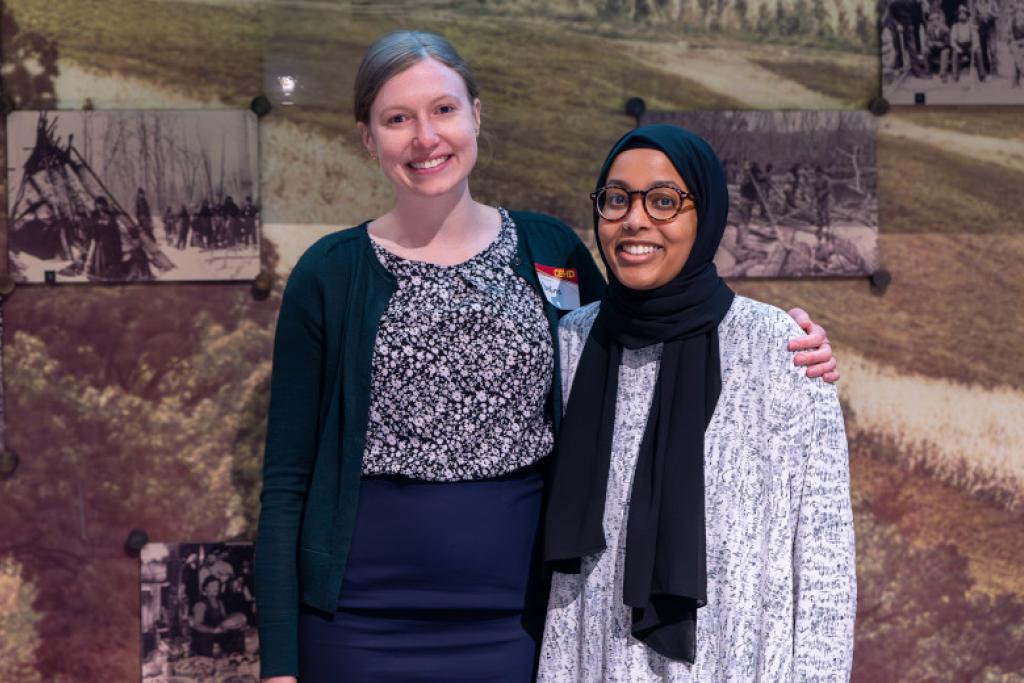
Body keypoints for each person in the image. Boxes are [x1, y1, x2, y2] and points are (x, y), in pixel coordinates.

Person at [254, 31, 839, 683]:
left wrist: (783, 341)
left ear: (476, 114)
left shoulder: (550, 250)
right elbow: (287, 481)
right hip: (358, 622)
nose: (426, 137)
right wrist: (280, 664)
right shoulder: (330, 274)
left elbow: (645, 330)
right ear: (368, 136)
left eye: (443, 109)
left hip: (519, 621)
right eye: (398, 119)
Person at [540, 125, 856, 681]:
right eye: (617, 198)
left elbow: (824, 558)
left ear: (704, 213)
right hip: (593, 662)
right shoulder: (573, 341)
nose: (634, 219)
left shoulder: (778, 348)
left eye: (664, 201)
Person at [926, 9, 953, 80]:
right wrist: (929, 43)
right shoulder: (929, 29)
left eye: (934, 20)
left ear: (939, 20)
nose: (933, 22)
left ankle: (943, 74)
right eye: (931, 20)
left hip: (943, 47)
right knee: (926, 51)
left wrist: (939, 44)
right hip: (934, 48)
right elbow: (927, 41)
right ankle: (928, 72)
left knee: (945, 52)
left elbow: (947, 43)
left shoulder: (945, 29)